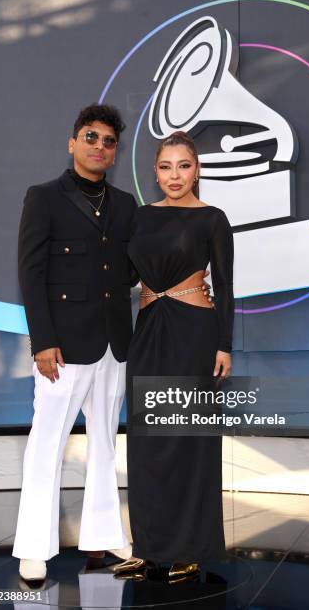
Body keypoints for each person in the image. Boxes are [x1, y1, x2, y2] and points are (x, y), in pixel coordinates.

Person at [13, 103, 137, 581]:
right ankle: (33, 550)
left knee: (105, 443)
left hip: (113, 344)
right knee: (47, 445)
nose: (99, 147)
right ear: (72, 142)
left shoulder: (126, 205)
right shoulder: (42, 197)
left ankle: (106, 537)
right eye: (91, 137)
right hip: (61, 348)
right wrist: (42, 341)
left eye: (108, 141)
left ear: (114, 151)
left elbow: (129, 269)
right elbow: (31, 271)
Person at [115, 131, 234, 581]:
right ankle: (148, 548)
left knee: (189, 441)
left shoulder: (212, 219)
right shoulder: (140, 218)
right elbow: (124, 273)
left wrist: (224, 343)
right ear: (155, 171)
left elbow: (223, 284)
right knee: (147, 443)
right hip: (148, 333)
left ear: (197, 169)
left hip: (195, 337)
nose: (174, 176)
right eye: (165, 167)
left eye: (183, 166)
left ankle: (190, 547)